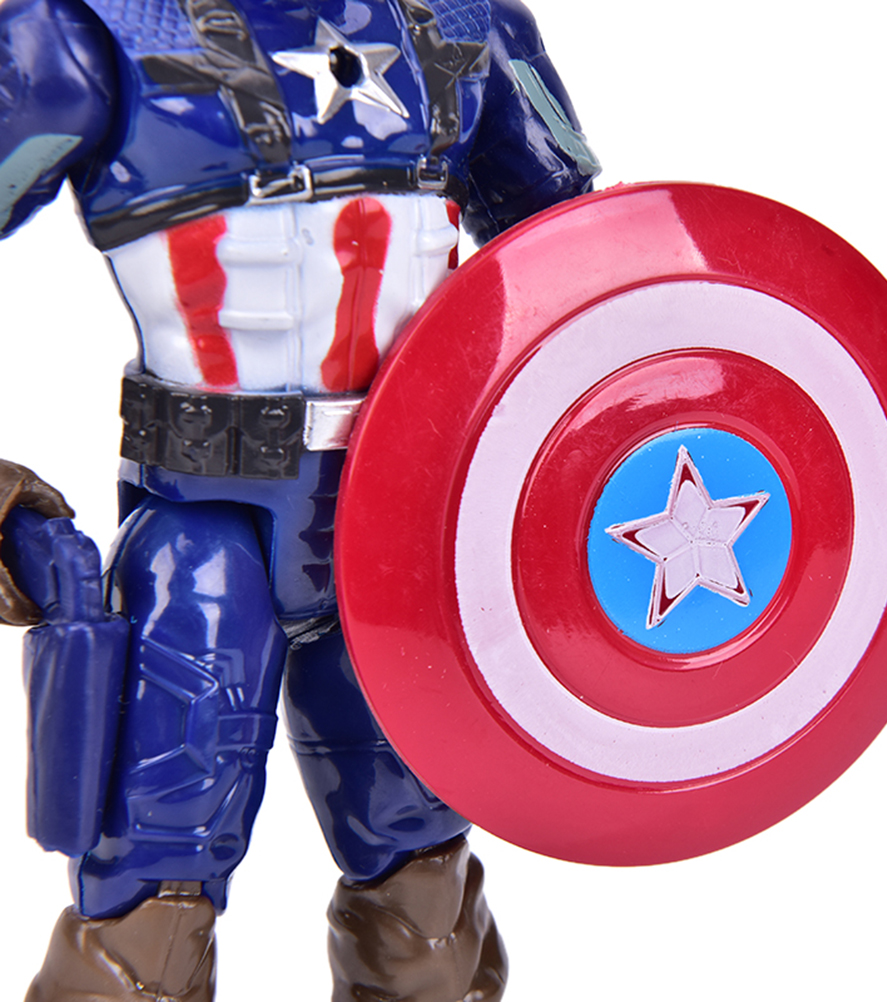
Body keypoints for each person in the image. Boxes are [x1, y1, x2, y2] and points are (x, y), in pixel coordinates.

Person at [0, 0, 599, 997]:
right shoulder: (88, 33)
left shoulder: (465, 23)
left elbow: (585, 262)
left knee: (426, 900)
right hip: (203, 536)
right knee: (151, 900)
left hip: (405, 530)